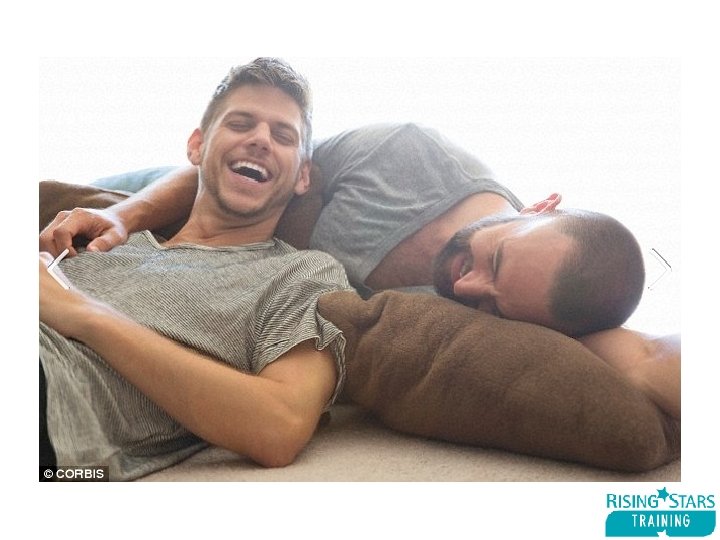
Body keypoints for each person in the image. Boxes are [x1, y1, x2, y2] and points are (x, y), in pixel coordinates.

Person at [39, 58, 353, 481]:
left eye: (283, 135)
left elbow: (281, 425)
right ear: (196, 147)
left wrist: (79, 312)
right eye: (240, 124)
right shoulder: (107, 236)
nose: (261, 140)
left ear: (303, 177)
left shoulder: (303, 273)